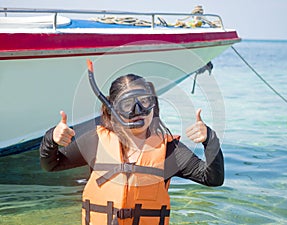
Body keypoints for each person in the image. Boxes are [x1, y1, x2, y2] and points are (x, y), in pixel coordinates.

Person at [40, 74, 224, 225]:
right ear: (112, 109)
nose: (139, 110)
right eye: (128, 105)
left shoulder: (169, 150)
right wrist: (52, 138)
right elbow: (52, 165)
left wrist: (210, 140)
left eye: (145, 101)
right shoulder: (95, 142)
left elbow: (213, 178)